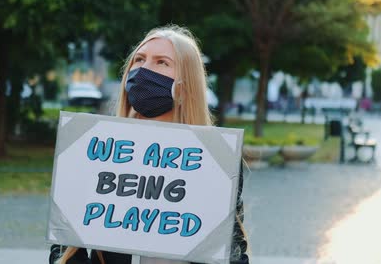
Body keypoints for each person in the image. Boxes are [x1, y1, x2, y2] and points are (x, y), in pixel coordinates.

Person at [49, 25, 249, 264]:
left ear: (186, 86)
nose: (144, 69)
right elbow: (65, 251)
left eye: (161, 62)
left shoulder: (215, 159)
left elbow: (234, 253)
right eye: (139, 60)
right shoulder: (96, 151)